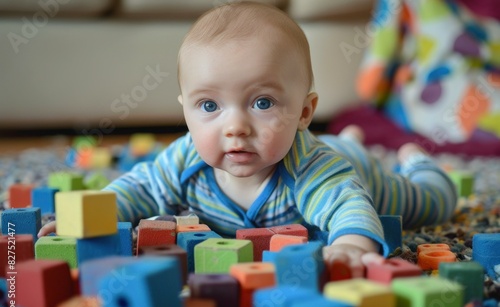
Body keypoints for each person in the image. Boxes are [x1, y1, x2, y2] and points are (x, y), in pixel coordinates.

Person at [38, 1, 457, 276]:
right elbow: (141, 186)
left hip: (357, 171)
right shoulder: (186, 160)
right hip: (334, 149)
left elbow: (345, 204)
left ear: (304, 113)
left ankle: (414, 159)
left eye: (261, 103)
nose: (235, 127)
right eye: (209, 107)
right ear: (184, 110)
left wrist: (349, 245)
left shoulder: (311, 170)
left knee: (429, 202)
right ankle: (350, 136)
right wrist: (88, 219)